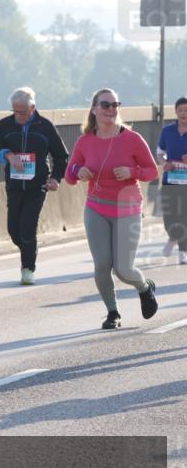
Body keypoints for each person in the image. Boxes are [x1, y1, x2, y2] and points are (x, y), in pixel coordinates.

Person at [64, 88, 160, 330]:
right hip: (96, 208)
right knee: (102, 265)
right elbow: (69, 174)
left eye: (115, 105)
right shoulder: (85, 141)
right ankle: (112, 312)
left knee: (124, 269)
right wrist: (78, 171)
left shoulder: (132, 139)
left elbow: (152, 171)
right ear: (94, 109)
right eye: (105, 105)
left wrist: (133, 172)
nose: (111, 109)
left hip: (128, 208)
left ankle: (144, 287)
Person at [0, 87, 70, 285]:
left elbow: (62, 157)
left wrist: (56, 179)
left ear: (32, 108)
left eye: (22, 112)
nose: (18, 115)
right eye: (14, 111)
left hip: (38, 186)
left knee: (27, 227)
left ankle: (28, 269)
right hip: (14, 186)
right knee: (13, 230)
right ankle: (29, 247)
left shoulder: (45, 127)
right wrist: (8, 155)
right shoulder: (5, 125)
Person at [157, 96, 187, 265]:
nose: (184, 113)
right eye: (180, 110)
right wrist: (163, 163)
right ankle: (173, 237)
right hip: (170, 180)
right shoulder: (167, 131)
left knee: (184, 216)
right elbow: (160, 151)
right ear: (176, 112)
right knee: (169, 215)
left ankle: (183, 251)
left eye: (186, 110)